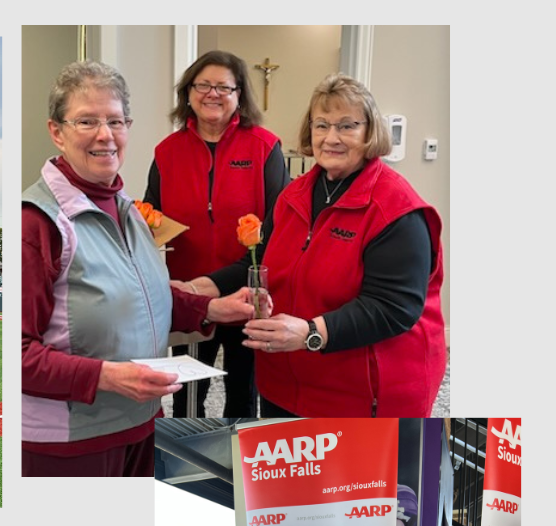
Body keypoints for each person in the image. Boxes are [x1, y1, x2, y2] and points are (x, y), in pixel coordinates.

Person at [23, 61, 257, 477]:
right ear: (56, 131)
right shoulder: (38, 222)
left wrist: (211, 309)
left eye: (115, 120)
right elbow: (16, 355)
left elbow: (144, 297)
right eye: (86, 121)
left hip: (140, 423)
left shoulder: (126, 209)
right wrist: (107, 377)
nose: (104, 134)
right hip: (70, 443)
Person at [187, 74, 445, 417]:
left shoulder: (396, 209)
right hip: (284, 383)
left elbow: (393, 307)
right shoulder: (293, 196)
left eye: (347, 126)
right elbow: (259, 262)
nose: (331, 138)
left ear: (371, 132)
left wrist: (312, 332)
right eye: (321, 125)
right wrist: (195, 288)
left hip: (364, 397)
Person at [145, 50, 286, 418]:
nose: (213, 94)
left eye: (224, 86)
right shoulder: (166, 152)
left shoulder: (265, 147)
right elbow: (149, 218)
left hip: (247, 293)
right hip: (190, 297)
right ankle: (182, 467)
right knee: (186, 394)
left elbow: (278, 226)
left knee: (243, 392)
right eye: (203, 85)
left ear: (240, 94)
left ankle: (234, 467)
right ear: (188, 93)